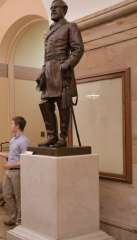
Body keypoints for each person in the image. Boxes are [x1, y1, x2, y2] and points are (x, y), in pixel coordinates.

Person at [36, 0, 84, 148]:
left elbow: (78, 49)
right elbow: (46, 55)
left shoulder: (70, 27)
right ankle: (52, 136)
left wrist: (66, 65)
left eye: (55, 8)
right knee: (45, 103)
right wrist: (43, 70)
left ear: (65, 9)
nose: (52, 10)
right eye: (51, 8)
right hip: (49, 72)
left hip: (61, 71)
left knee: (63, 105)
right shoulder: (50, 29)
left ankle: (62, 138)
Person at [0, 116, 30, 226]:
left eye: (12, 124)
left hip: (17, 172)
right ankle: (13, 217)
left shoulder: (24, 141)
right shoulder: (13, 139)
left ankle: (20, 221)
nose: (10, 126)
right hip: (8, 172)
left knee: (18, 196)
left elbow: (26, 159)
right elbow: (11, 155)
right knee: (6, 195)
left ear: (17, 126)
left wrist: (10, 164)